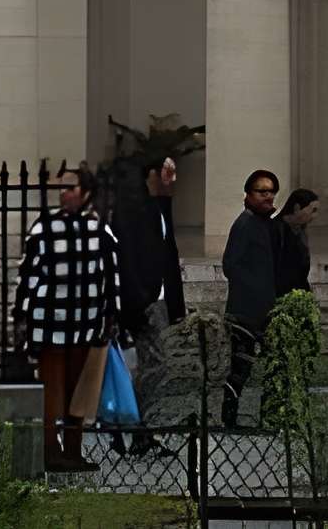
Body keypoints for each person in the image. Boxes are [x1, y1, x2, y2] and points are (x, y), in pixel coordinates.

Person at [11, 164, 121, 474]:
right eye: (61, 188)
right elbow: (28, 274)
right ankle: (52, 451)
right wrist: (22, 316)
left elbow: (111, 278)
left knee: (77, 393)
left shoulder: (97, 231)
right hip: (53, 322)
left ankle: (70, 451)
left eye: (70, 187)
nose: (63, 193)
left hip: (83, 323)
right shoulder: (48, 227)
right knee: (53, 390)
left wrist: (110, 316)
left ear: (86, 193)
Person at [108, 156, 188, 449]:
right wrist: (140, 299)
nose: (172, 181)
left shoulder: (158, 207)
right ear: (150, 175)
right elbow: (128, 258)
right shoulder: (133, 211)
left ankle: (142, 428)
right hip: (144, 301)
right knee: (156, 365)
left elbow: (167, 253)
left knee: (156, 366)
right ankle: (139, 428)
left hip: (158, 298)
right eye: (166, 174)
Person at [218, 167, 284, 427]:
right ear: (248, 195)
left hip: (264, 310)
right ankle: (229, 417)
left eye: (271, 192)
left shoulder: (264, 224)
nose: (268, 197)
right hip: (246, 313)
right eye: (261, 192)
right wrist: (255, 292)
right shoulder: (245, 224)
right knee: (240, 367)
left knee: (270, 366)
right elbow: (230, 265)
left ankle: (267, 415)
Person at [278, 189, 320, 306]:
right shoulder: (276, 230)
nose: (314, 216)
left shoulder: (301, 230)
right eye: (313, 210)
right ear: (297, 208)